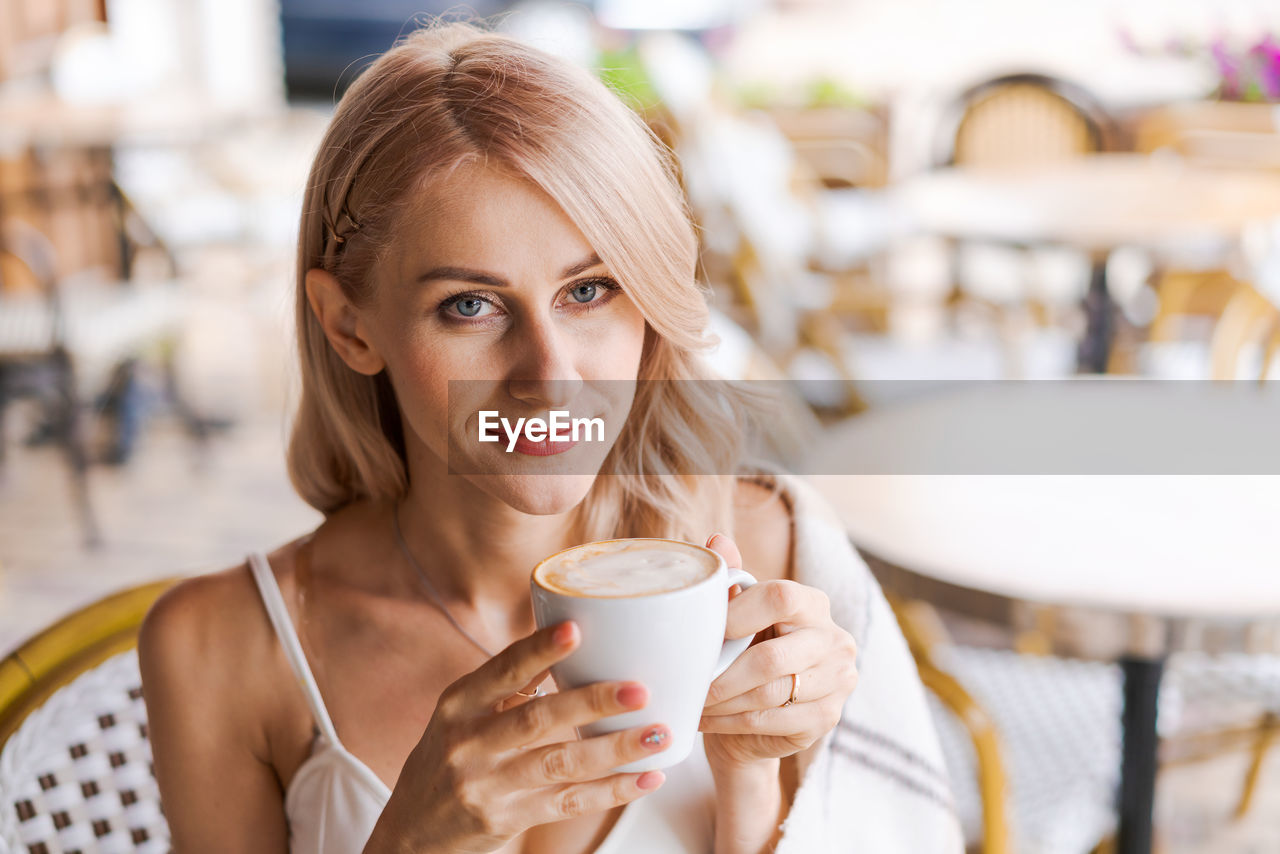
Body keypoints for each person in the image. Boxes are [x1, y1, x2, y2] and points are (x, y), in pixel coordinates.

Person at [138, 19, 961, 854]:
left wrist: (751, 778)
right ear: (349, 326)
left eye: (591, 290)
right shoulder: (220, 650)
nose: (552, 375)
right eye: (470, 305)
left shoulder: (781, 563)